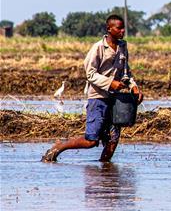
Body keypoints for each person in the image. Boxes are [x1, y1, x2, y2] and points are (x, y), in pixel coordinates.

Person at [42, 14, 143, 162]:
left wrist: (134, 87)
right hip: (98, 97)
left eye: (123, 28)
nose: (122, 31)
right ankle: (60, 146)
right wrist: (110, 83)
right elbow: (90, 74)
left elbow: (126, 72)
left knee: (113, 141)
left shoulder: (122, 47)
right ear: (109, 29)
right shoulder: (98, 48)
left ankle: (105, 175)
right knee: (91, 141)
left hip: (115, 100)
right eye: (119, 28)